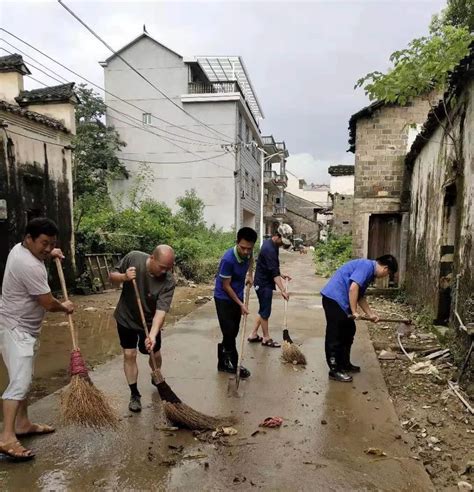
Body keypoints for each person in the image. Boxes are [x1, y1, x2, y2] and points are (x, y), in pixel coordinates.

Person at [0, 218, 74, 461]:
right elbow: (46, 302)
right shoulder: (27, 264)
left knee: (25, 378)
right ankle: (7, 437)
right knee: (19, 382)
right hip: (15, 328)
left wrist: (51, 251)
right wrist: (64, 307)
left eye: (51, 243)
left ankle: (22, 424)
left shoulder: (20, 249)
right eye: (44, 243)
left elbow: (43, 251)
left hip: (25, 327)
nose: (47, 248)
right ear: (29, 238)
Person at [109, 245, 176, 412]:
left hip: (149, 321)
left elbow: (161, 312)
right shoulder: (134, 258)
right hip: (126, 317)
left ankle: (156, 375)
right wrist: (124, 276)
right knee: (129, 354)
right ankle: (134, 394)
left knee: (154, 352)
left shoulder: (169, 280)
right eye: (162, 267)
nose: (164, 272)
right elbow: (111, 276)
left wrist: (152, 335)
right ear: (152, 258)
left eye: (168, 268)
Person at [320, 254, 398, 382]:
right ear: (385, 268)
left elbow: (360, 295)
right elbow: (353, 289)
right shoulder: (366, 266)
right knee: (335, 335)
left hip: (341, 301)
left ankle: (344, 364)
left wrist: (370, 314)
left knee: (349, 330)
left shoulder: (369, 273)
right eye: (388, 273)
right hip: (334, 299)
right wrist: (354, 311)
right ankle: (335, 370)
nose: (385, 276)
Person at [214, 227, 257, 378]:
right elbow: (226, 286)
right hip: (224, 297)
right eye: (243, 248)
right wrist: (240, 304)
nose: (246, 251)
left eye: (249, 248)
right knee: (229, 331)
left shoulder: (249, 252)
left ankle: (223, 362)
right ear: (237, 242)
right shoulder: (228, 259)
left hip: (237, 294)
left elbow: (251, 259)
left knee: (234, 330)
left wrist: (250, 274)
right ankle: (233, 363)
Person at [248, 229, 292, 347]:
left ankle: (253, 334)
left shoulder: (272, 244)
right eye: (282, 242)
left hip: (264, 281)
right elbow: (274, 273)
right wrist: (283, 290)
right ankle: (266, 338)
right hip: (263, 284)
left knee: (263, 309)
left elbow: (272, 267)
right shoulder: (269, 249)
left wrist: (282, 274)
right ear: (276, 236)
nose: (282, 245)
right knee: (265, 312)